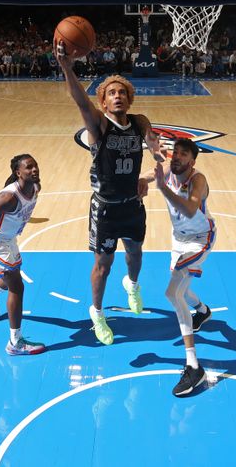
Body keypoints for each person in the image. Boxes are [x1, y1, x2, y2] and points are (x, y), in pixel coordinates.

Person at [56, 40, 164, 345]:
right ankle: (98, 313)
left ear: (129, 99)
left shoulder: (140, 121)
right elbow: (79, 100)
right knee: (102, 266)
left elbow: (155, 149)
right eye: (111, 93)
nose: (117, 96)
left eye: (122, 92)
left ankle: (132, 285)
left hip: (133, 205)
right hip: (104, 209)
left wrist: (152, 167)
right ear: (103, 102)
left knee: (135, 253)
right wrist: (66, 66)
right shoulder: (99, 125)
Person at [143, 139, 215, 396]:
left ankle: (193, 366)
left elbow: (190, 207)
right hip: (179, 239)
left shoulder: (198, 180)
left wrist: (162, 188)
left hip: (200, 239)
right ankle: (203, 311)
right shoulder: (166, 170)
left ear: (192, 161)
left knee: (172, 293)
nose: (177, 157)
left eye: (184, 155)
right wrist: (140, 184)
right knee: (180, 290)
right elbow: (146, 177)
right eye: (176, 153)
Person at [0, 154, 45, 356]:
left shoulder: (35, 187)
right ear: (18, 172)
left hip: (9, 237)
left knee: (10, 277)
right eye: (29, 167)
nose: (34, 170)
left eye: (35, 165)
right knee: (17, 286)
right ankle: (15, 343)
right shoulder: (9, 197)